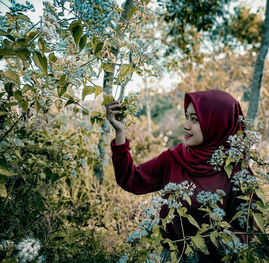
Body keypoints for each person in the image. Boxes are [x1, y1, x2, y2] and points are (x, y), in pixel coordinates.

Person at [105, 90, 250, 262]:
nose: (186, 125)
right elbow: (131, 180)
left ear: (217, 123)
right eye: (187, 117)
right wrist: (120, 133)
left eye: (195, 119)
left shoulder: (237, 172)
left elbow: (247, 233)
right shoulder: (174, 158)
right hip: (171, 257)